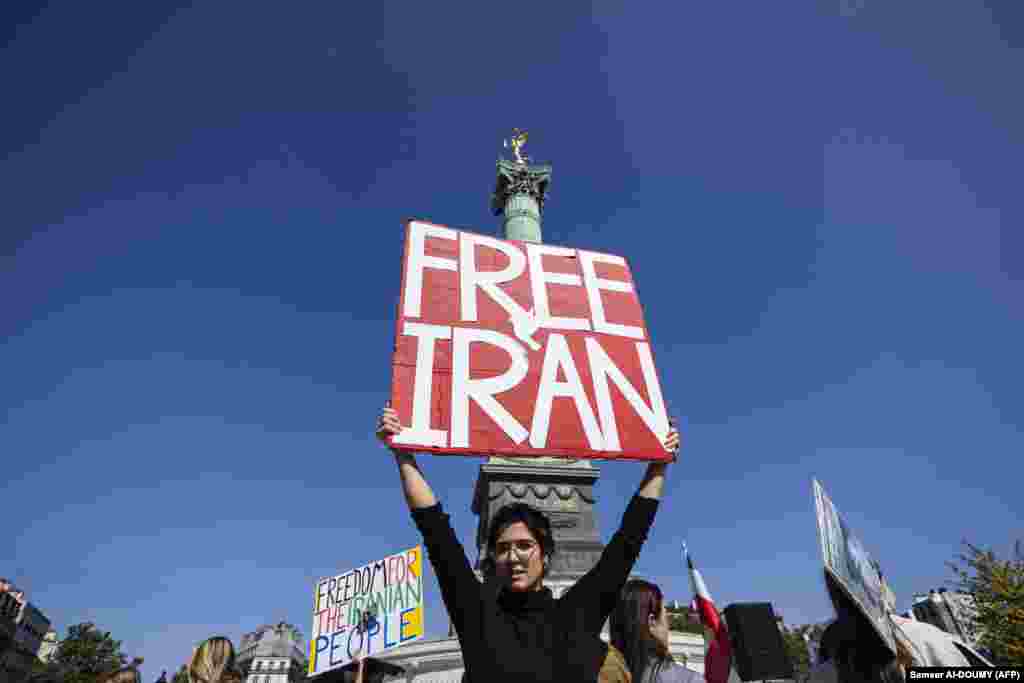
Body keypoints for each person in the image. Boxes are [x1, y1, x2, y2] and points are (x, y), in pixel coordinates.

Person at [375, 405, 680, 683]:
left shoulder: (576, 615)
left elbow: (628, 541)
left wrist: (659, 465)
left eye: (524, 545)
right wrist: (402, 454)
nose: (513, 556)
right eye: (503, 548)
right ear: (493, 558)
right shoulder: (477, 614)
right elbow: (435, 532)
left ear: (545, 555)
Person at [610, 580, 702, 683]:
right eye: (665, 617)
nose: (668, 626)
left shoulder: (598, 673)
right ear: (652, 621)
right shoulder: (688, 679)